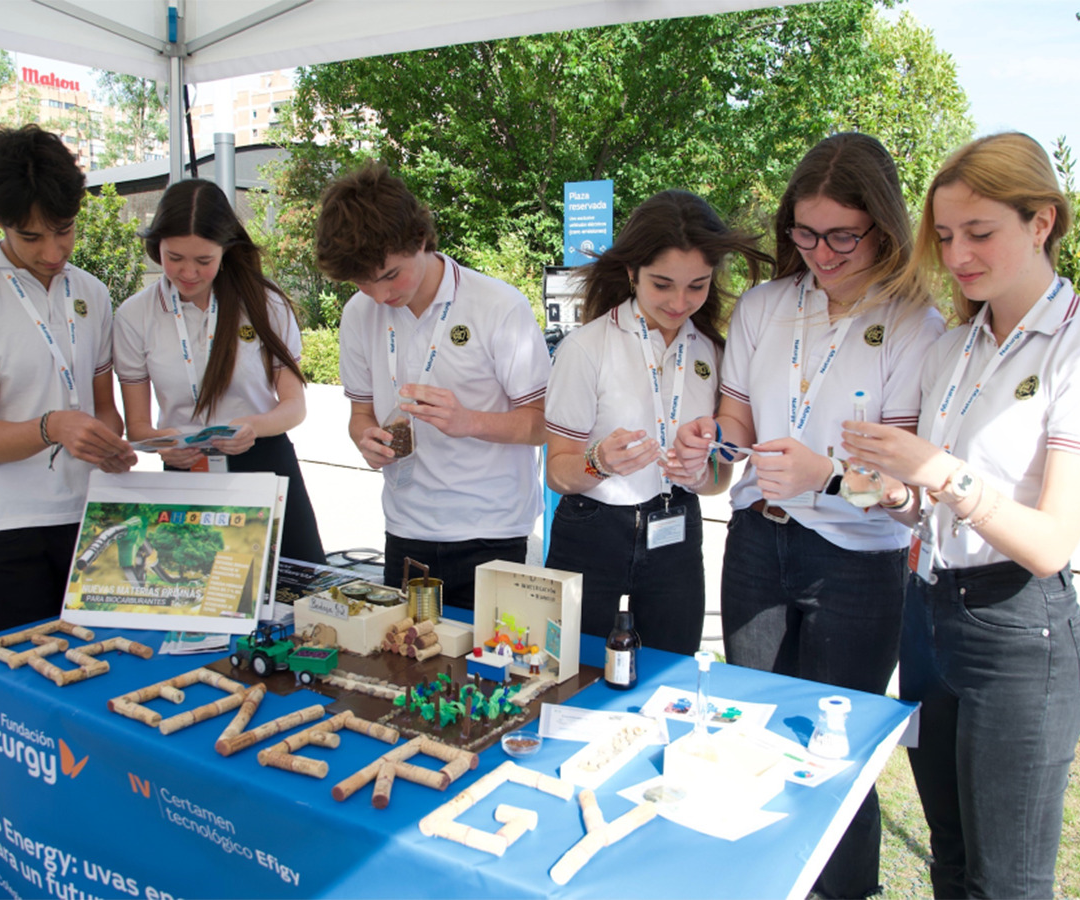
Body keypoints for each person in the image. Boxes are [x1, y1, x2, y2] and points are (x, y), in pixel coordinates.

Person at [841, 132, 1080, 899]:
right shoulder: (955, 347)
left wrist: (939, 473)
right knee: (950, 858)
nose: (958, 254)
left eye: (980, 233)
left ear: (1042, 222)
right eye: (948, 235)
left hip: (1020, 636)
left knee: (1008, 884)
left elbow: (1051, 544)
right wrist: (890, 493)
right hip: (929, 620)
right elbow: (931, 515)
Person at [674, 133, 945, 899]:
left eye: (841, 236)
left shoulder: (915, 327)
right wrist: (711, 445)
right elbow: (736, 427)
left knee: (837, 755)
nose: (820, 252)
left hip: (859, 562)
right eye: (803, 232)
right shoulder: (765, 308)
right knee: (750, 732)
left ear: (884, 227)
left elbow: (904, 491)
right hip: (759, 540)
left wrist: (825, 479)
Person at [0, 124, 136, 637]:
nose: (52, 251)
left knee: (105, 671)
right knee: (22, 686)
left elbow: (103, 406)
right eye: (31, 236)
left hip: (92, 517)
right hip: (6, 527)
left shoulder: (91, 291)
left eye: (64, 229)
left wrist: (108, 444)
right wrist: (55, 426)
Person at [544, 190, 771, 655]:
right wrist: (598, 461)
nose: (679, 301)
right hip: (592, 531)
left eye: (697, 285)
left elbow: (718, 479)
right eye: (662, 284)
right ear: (631, 272)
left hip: (676, 529)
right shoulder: (586, 348)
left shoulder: (713, 351)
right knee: (573, 671)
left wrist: (699, 473)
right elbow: (556, 472)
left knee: (673, 676)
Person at [315, 161, 550, 608]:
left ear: (420, 239)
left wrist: (468, 421)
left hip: (491, 532)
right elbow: (359, 413)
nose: (381, 295)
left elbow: (543, 424)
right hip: (406, 531)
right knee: (407, 663)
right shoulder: (358, 315)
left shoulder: (497, 306)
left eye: (389, 275)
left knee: (488, 672)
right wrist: (364, 440)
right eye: (362, 281)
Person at [114, 178, 326, 566]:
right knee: (194, 595)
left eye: (204, 260)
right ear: (155, 246)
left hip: (263, 461)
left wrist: (255, 427)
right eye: (174, 257)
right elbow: (138, 428)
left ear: (226, 251)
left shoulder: (264, 303)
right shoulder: (134, 316)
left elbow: (294, 406)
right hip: (185, 467)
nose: (188, 272)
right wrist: (165, 445)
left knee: (298, 595)